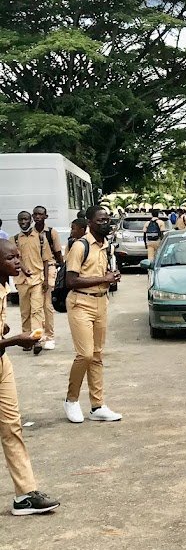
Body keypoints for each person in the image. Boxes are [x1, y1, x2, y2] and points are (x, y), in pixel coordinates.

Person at [0, 240, 60, 515]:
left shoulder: (4, 285)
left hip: (2, 365)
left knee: (13, 427)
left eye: (17, 256)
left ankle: (24, 495)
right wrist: (14, 340)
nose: (17, 262)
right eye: (11, 258)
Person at [63, 207, 122, 424]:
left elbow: (103, 274)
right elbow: (71, 280)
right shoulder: (80, 246)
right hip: (80, 302)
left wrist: (112, 277)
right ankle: (71, 400)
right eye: (100, 220)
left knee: (97, 355)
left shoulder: (106, 246)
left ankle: (97, 406)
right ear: (89, 222)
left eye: (107, 219)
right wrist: (102, 278)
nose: (105, 223)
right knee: (85, 354)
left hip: (101, 301)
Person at [31, 205, 64, 351]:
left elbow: (58, 253)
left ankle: (50, 336)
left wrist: (61, 269)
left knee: (47, 305)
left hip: (49, 268)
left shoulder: (51, 233)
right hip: (33, 271)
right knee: (35, 307)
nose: (37, 217)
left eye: (40, 214)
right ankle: (38, 336)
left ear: (45, 217)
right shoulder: (29, 233)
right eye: (35, 214)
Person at [13, 211, 45, 355]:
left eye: (26, 219)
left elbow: (47, 259)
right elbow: (11, 260)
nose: (23, 222)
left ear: (31, 220)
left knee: (37, 310)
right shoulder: (14, 240)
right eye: (20, 220)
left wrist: (47, 280)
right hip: (21, 281)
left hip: (37, 279)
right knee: (25, 312)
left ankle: (36, 339)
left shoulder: (40, 237)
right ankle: (26, 339)